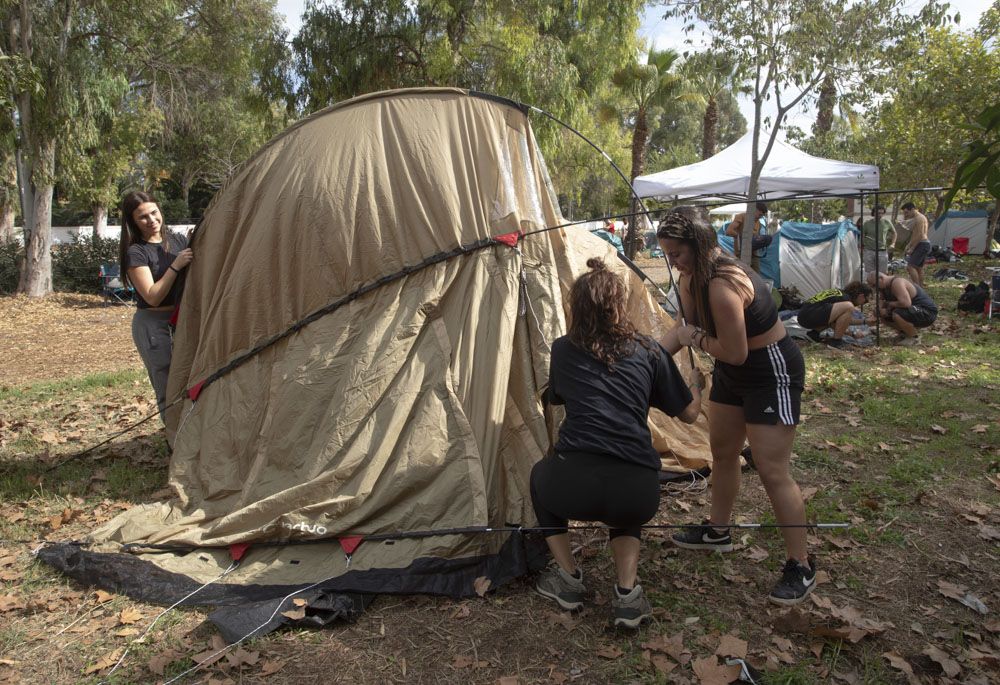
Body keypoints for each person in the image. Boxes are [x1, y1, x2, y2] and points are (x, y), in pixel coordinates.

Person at [657, 206, 816, 606]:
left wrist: (696, 339)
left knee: (771, 469)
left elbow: (735, 351)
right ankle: (718, 531)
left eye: (676, 253)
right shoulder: (691, 277)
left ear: (696, 244)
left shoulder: (721, 286)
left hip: (769, 371)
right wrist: (644, 360)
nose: (671, 261)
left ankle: (801, 563)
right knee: (723, 453)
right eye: (667, 253)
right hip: (732, 372)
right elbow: (682, 329)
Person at [531, 258, 702, 628]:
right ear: (620, 306)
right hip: (636, 492)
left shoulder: (562, 350)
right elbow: (689, 414)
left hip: (570, 487)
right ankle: (627, 593)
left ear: (577, 307)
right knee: (626, 486)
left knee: (538, 477)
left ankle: (568, 579)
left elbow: (557, 396)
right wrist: (698, 388)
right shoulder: (649, 351)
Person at [118, 191, 193, 421]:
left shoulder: (177, 240)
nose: (151, 220)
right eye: (143, 217)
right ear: (133, 222)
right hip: (153, 326)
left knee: (189, 381)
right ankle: (174, 442)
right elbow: (152, 296)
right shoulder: (136, 252)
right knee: (167, 387)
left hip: (182, 319)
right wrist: (176, 265)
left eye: (154, 212)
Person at [867, 271, 937, 345]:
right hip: (911, 309)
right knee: (883, 315)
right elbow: (881, 300)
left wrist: (888, 305)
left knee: (897, 314)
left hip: (926, 312)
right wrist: (879, 310)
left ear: (881, 279)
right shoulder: (883, 287)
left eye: (874, 285)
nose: (874, 288)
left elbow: (906, 303)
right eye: (872, 286)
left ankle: (913, 338)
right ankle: (904, 334)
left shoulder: (897, 283)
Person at [798, 281, 873, 349]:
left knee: (844, 309)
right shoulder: (845, 299)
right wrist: (853, 334)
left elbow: (844, 321)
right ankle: (836, 341)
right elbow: (837, 324)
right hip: (808, 316)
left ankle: (814, 334)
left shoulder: (840, 294)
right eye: (866, 300)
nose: (865, 303)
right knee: (849, 306)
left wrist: (865, 321)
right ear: (861, 296)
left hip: (804, 315)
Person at [725, 202, 768, 273]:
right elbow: (729, 231)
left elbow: (756, 236)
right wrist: (742, 238)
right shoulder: (741, 216)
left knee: (756, 275)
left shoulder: (759, 223)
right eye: (759, 214)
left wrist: (760, 240)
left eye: (761, 216)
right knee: (743, 275)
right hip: (742, 253)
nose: (759, 217)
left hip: (754, 254)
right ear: (754, 209)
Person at [901, 202, 931, 287]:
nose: (906, 214)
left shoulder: (919, 218)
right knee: (918, 268)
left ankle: (917, 288)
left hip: (922, 244)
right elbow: (915, 234)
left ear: (913, 209)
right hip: (922, 244)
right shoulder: (917, 218)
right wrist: (909, 244)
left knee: (910, 267)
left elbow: (921, 234)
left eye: (907, 212)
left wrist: (912, 248)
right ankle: (920, 287)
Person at [861, 207, 896, 276]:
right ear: (874, 213)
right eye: (878, 213)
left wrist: (893, 243)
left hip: (882, 251)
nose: (880, 215)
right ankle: (871, 286)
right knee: (870, 273)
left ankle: (881, 286)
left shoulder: (887, 222)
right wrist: (863, 244)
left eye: (882, 213)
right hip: (869, 251)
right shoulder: (867, 223)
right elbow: (862, 235)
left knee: (882, 273)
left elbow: (894, 233)